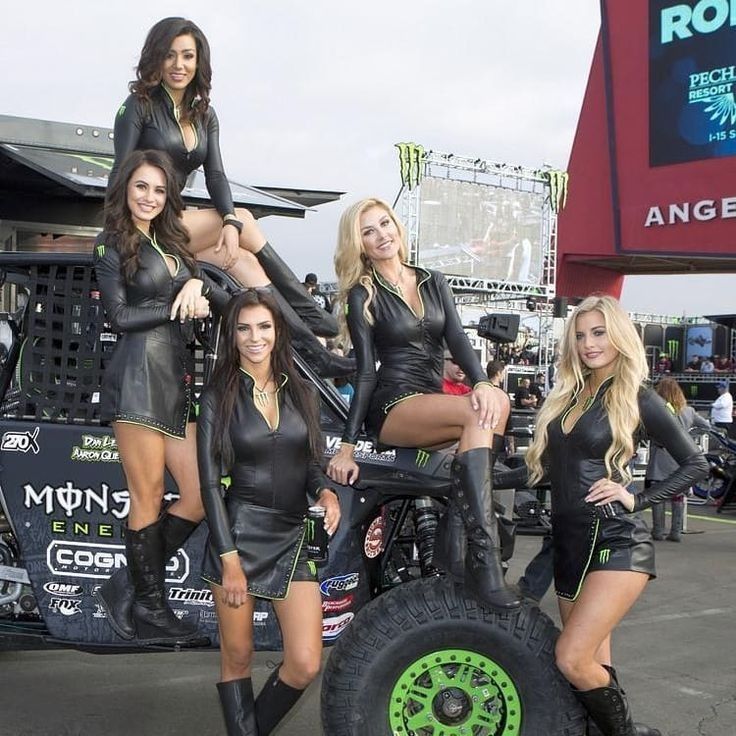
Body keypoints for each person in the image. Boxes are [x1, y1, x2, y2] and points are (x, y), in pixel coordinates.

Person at [109, 16, 352, 378]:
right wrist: (123, 234)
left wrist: (227, 219)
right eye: (171, 55)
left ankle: (308, 349)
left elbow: (216, 176)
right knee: (247, 223)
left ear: (199, 62)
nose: (179, 65)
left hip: (178, 228)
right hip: (147, 227)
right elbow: (119, 173)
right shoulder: (138, 105)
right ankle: (311, 315)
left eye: (188, 56)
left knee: (242, 260)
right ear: (156, 58)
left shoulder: (204, 115)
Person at [525, 294, 707, 736]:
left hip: (617, 543)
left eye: (599, 332)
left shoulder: (637, 397)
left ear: (619, 335)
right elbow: (541, 469)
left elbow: (695, 465)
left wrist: (635, 499)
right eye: (582, 335)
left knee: (570, 656)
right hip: (569, 547)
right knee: (589, 665)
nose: (589, 344)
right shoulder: (568, 396)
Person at [326, 197, 520, 610]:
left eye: (384, 224)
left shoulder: (434, 280)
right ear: (358, 244)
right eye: (368, 231)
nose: (381, 236)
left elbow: (459, 342)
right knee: (479, 413)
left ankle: (459, 553)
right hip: (393, 403)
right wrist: (346, 444)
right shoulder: (362, 295)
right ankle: (483, 565)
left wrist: (482, 382)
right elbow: (364, 373)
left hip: (431, 402)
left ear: (397, 226)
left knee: (494, 405)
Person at [93, 149, 230, 643]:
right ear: (125, 190)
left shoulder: (172, 242)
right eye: (140, 187)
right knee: (148, 495)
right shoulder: (111, 244)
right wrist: (177, 303)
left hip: (175, 382)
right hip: (136, 379)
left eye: (158, 189)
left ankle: (127, 586)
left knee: (197, 494)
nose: (149, 197)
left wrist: (196, 280)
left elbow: (217, 302)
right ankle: (151, 607)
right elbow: (120, 318)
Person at [198, 289, 340, 735]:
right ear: (232, 334)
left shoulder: (299, 390)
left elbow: (311, 464)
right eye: (243, 328)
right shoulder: (217, 396)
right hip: (238, 538)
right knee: (237, 656)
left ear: (277, 332)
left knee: (304, 662)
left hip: (295, 535)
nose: (254, 337)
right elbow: (207, 485)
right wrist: (229, 561)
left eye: (263, 327)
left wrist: (327, 493)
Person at [647, 378, 710, 542]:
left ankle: (658, 531)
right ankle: (676, 532)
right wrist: (689, 439)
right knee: (678, 495)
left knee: (657, 495)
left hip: (660, 457)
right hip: (680, 458)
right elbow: (706, 426)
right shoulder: (688, 411)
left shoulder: (657, 409)